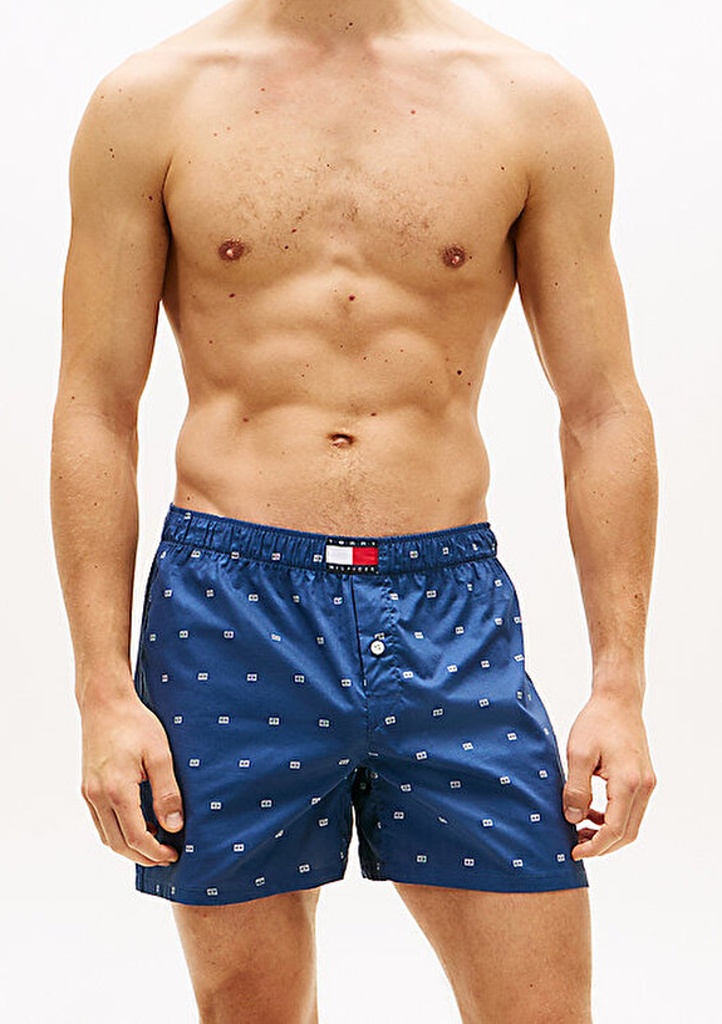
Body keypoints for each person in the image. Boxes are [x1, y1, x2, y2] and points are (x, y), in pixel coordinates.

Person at [50, 1, 658, 1021]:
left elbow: (601, 407)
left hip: (447, 608)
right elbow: (94, 408)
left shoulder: (531, 103)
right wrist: (102, 692)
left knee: (542, 1006)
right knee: (251, 1008)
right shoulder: (150, 103)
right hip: (228, 607)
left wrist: (620, 686)